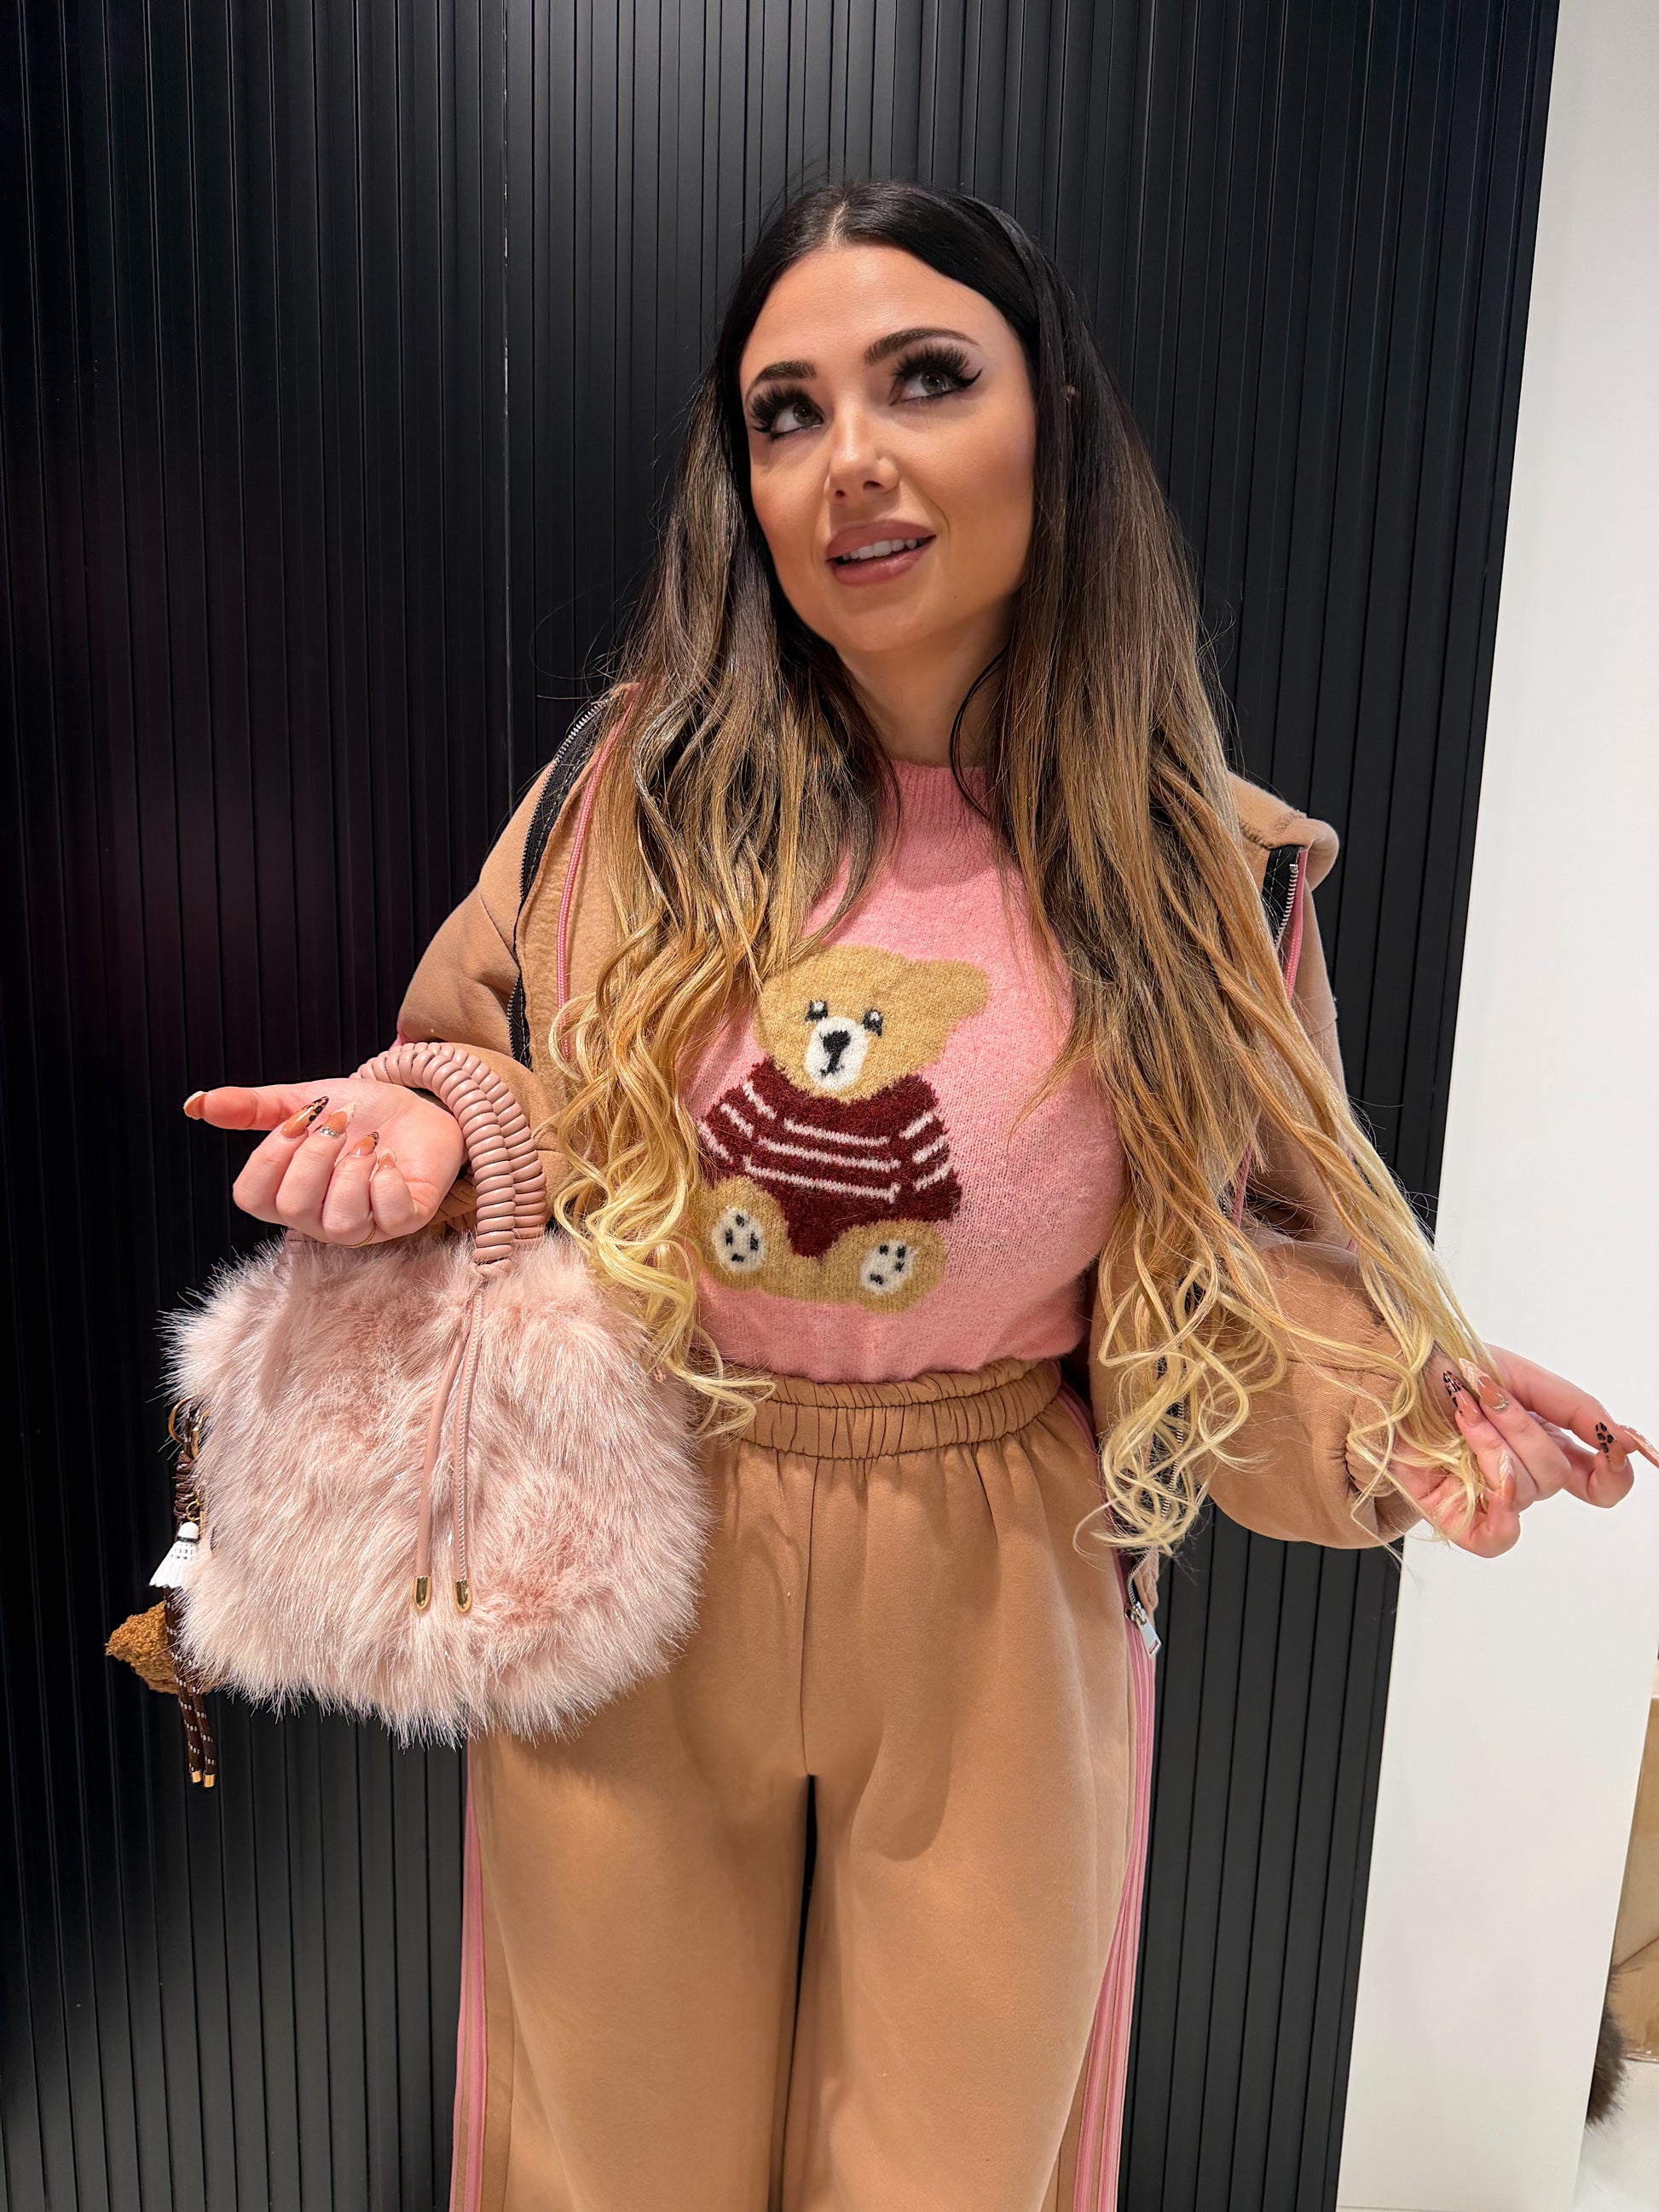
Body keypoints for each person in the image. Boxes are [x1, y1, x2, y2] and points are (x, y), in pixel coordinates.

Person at [182, 182, 1650, 2212]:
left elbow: (1249, 1254)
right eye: (784, 413)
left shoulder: (1192, 871)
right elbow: (482, 1049)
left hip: (999, 1566)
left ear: (1052, 423)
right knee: (609, 2142)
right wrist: (433, 1124)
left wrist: (1410, 1414)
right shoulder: (626, 794)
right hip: (639, 1520)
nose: (847, 459)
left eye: (925, 379)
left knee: (959, 2155)